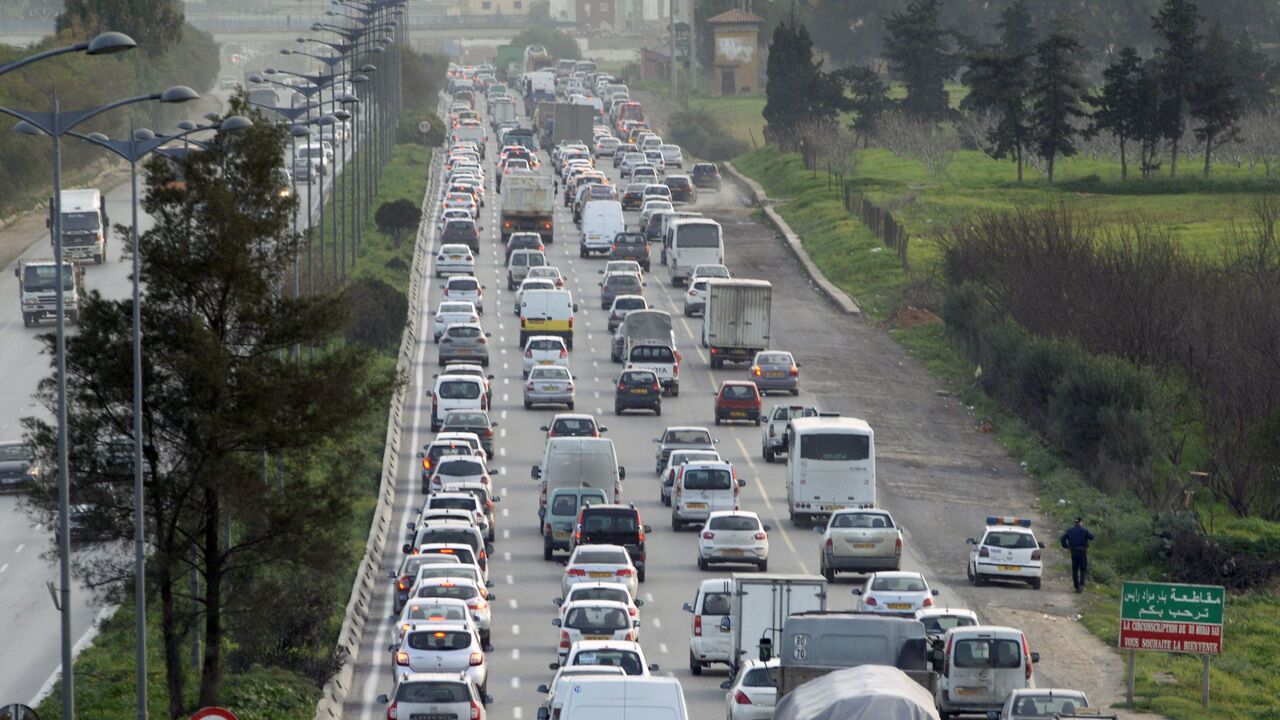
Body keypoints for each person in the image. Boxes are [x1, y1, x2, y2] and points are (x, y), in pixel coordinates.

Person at [1060, 517, 1095, 593]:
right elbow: (1092, 537)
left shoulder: (1070, 531)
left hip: (1074, 552)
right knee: (1083, 569)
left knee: (1075, 570)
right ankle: (1081, 585)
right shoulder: (1084, 530)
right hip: (1082, 552)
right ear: (1081, 522)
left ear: (1075, 523)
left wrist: (1066, 546)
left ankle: (1077, 586)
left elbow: (1062, 539)